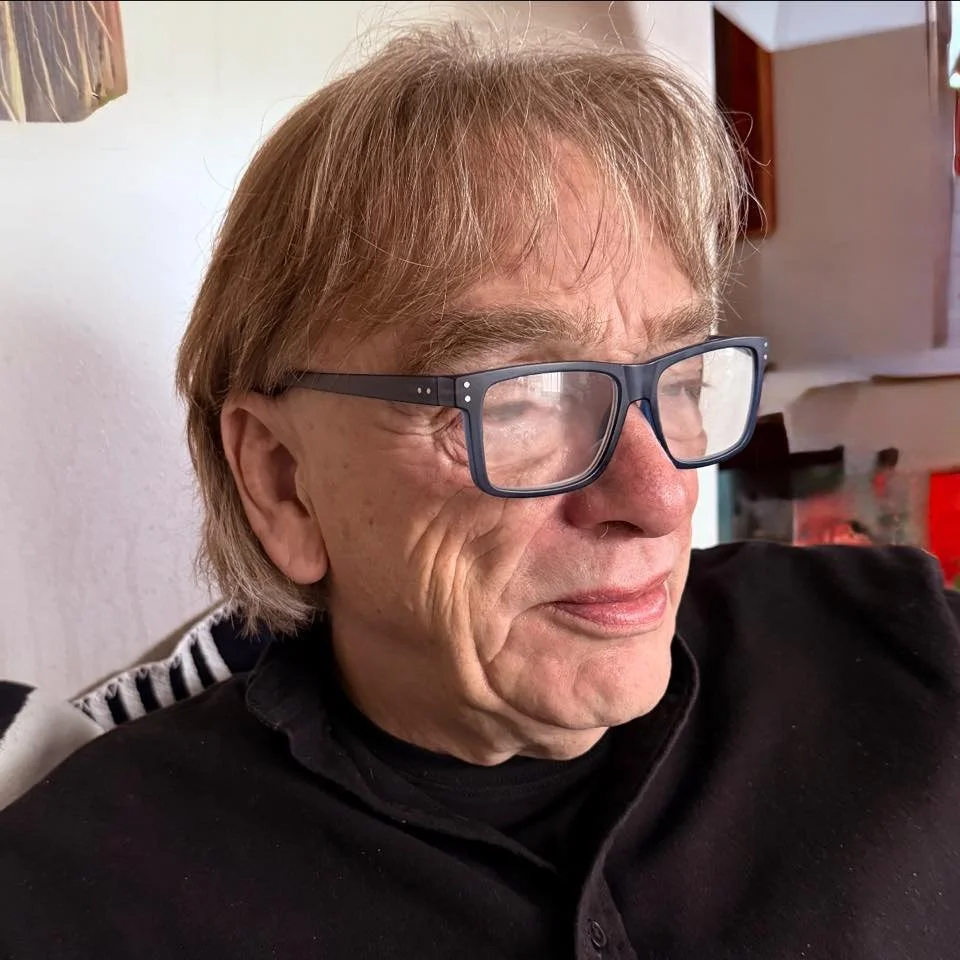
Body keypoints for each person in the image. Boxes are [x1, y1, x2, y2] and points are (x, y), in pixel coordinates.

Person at [2, 24, 959, 960]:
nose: (664, 500)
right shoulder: (77, 897)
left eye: (678, 370)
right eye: (524, 397)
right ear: (283, 482)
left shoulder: (906, 647)